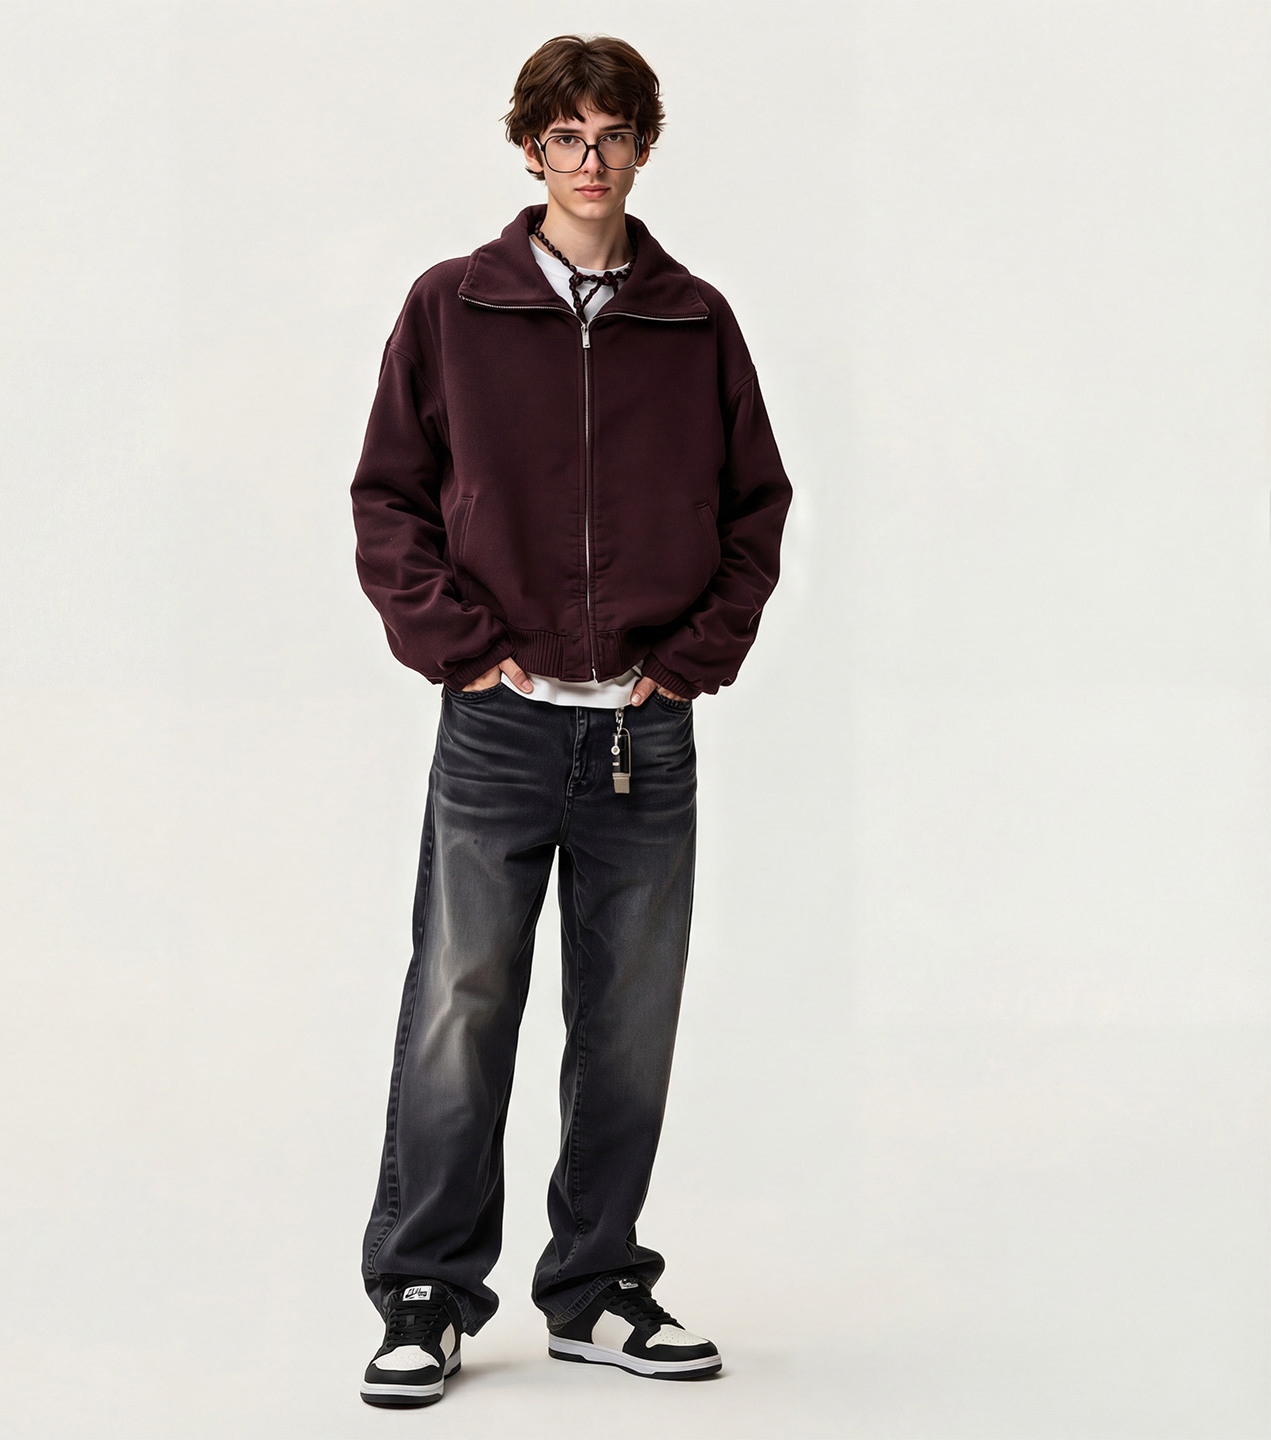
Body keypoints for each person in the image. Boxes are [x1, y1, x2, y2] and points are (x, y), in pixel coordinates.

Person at [348, 32, 793, 1408]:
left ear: (643, 147)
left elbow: (757, 509)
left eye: (612, 136)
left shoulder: (695, 320)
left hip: (643, 736)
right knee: (461, 1003)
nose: (589, 160)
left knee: (628, 1023)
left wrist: (692, 662)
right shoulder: (453, 306)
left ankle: (596, 1287)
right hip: (499, 728)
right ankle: (426, 1294)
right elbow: (389, 498)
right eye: (565, 137)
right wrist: (464, 654)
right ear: (531, 147)